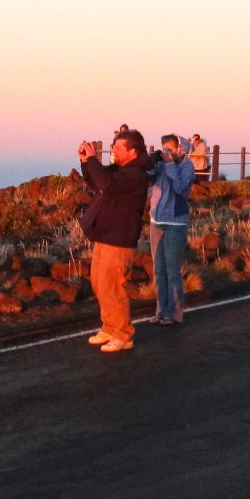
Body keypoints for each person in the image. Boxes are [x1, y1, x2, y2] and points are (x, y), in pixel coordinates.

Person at [78, 129, 152, 353]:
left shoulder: (136, 175)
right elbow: (97, 182)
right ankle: (109, 326)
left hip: (119, 239)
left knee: (112, 286)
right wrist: (86, 162)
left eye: (118, 147)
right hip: (105, 235)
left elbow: (108, 184)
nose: (113, 150)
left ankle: (123, 334)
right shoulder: (120, 171)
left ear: (132, 152)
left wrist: (93, 160)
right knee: (99, 285)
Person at [146, 134, 195, 325]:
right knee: (159, 269)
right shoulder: (162, 164)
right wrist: (151, 163)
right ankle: (161, 311)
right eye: (164, 148)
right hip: (156, 221)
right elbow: (149, 180)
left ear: (180, 149)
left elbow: (181, 190)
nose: (166, 152)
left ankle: (174, 313)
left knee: (172, 270)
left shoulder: (187, 167)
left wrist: (170, 165)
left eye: (170, 149)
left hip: (176, 222)